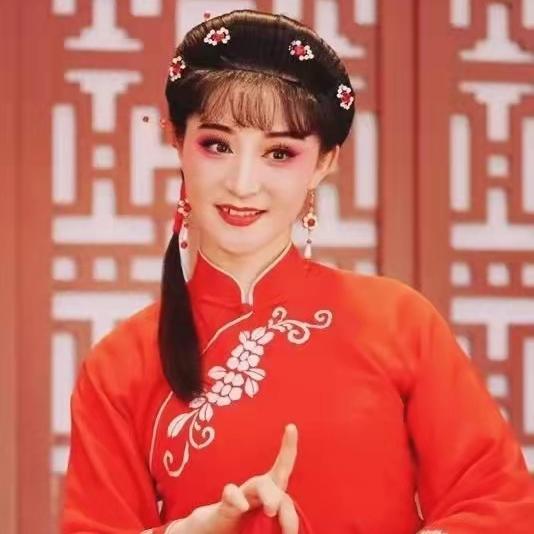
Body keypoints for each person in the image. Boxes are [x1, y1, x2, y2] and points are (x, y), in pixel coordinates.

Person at [61, 9, 534, 534]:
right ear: (176, 139)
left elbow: (500, 503)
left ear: (325, 162)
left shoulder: (399, 324)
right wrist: (193, 531)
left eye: (279, 153)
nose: (243, 183)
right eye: (217, 145)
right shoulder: (120, 367)